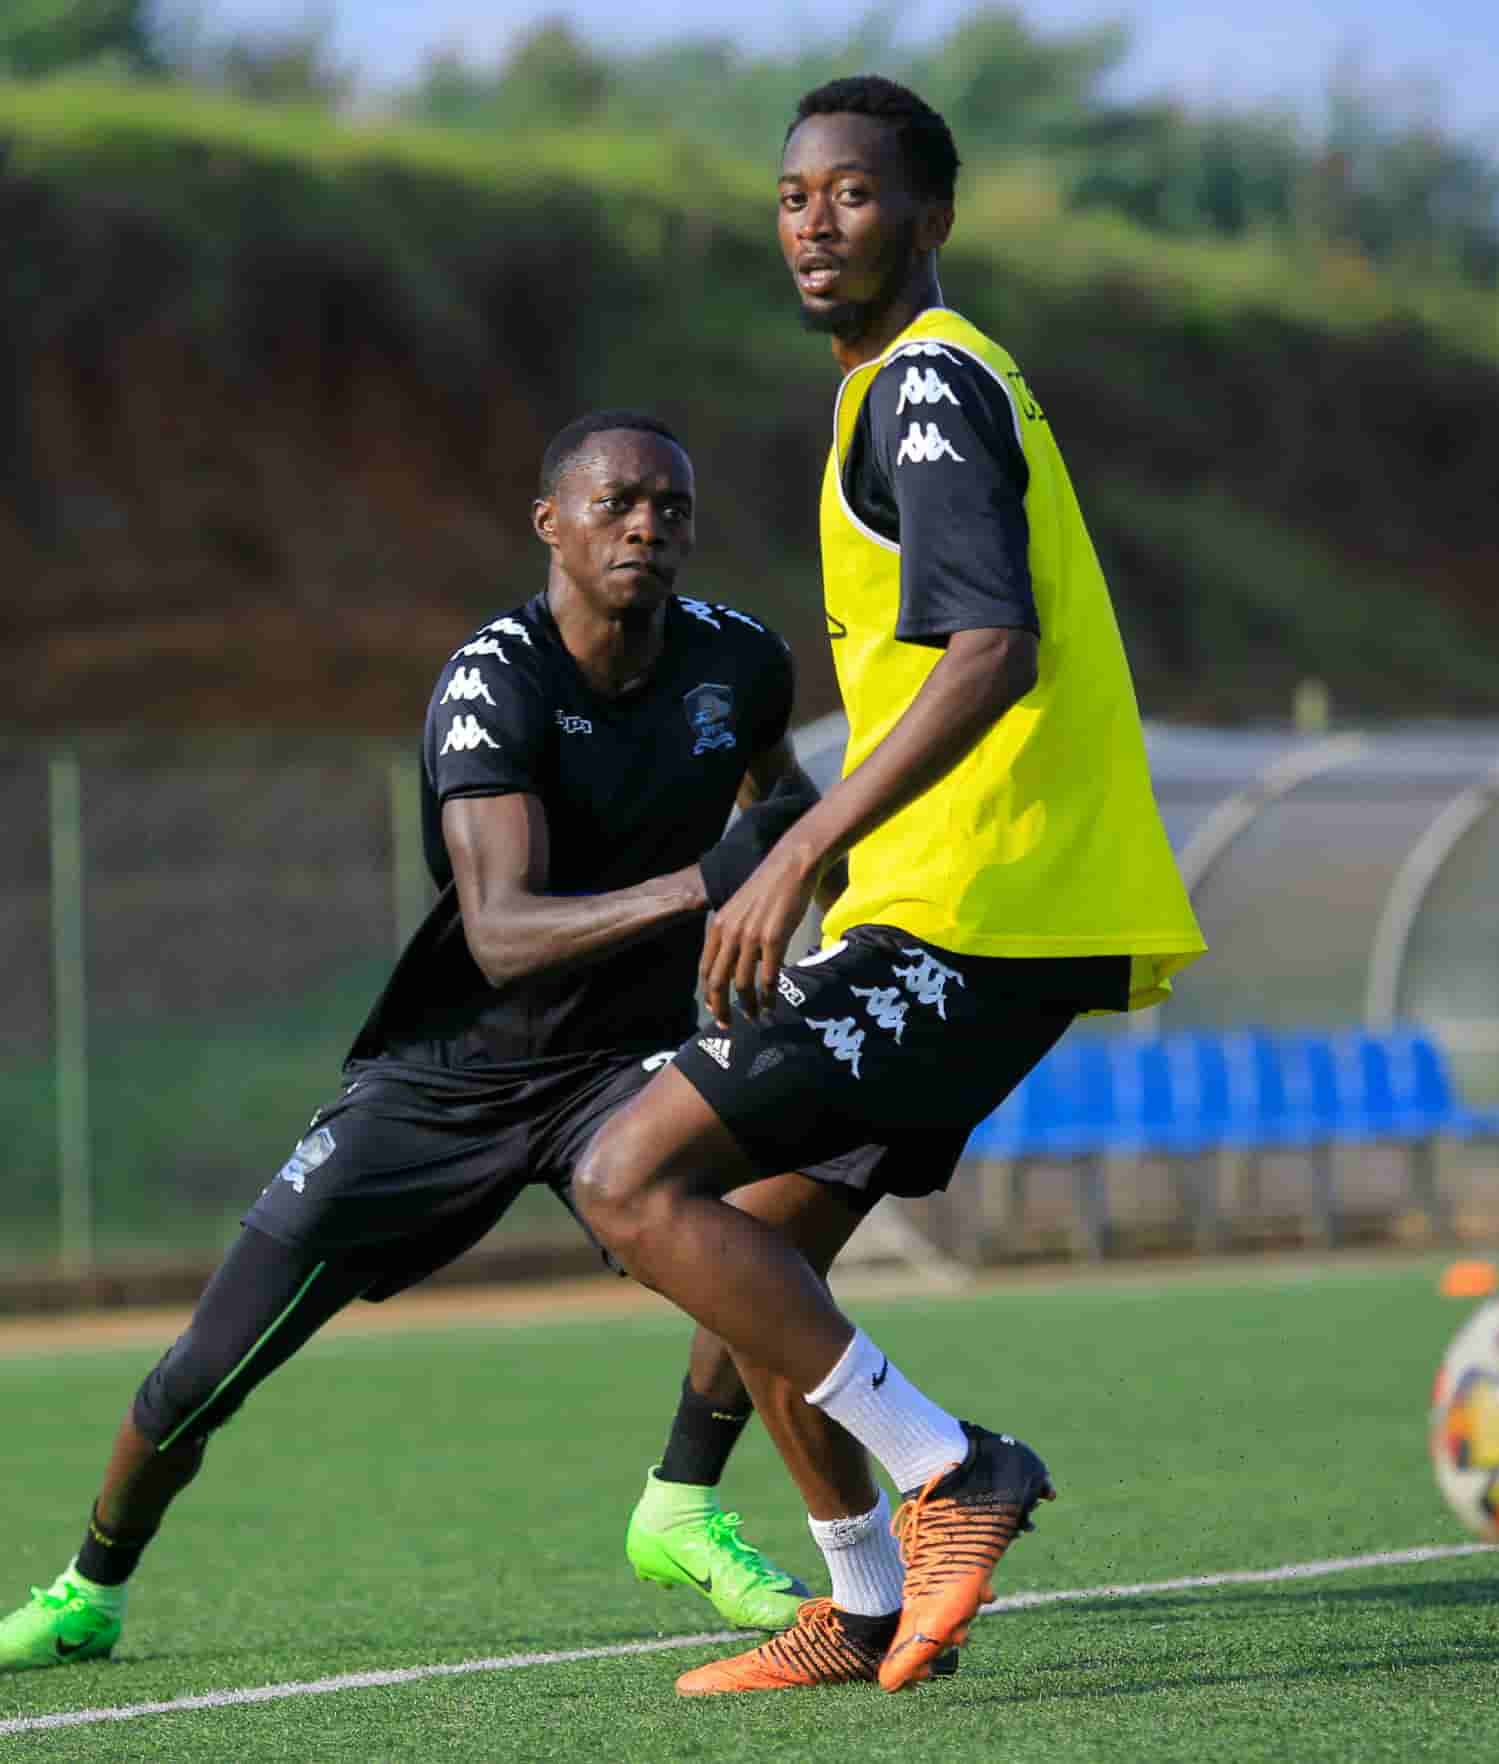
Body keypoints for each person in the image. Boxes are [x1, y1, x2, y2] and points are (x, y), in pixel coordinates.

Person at [0, 409, 870, 1672]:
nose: (646, 526)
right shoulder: (493, 680)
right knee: (202, 1373)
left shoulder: (737, 662)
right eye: (617, 503)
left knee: (800, 1193)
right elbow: (503, 931)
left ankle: (681, 1501)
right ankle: (92, 1586)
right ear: (550, 524)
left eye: (670, 508)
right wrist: (709, 886)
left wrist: (818, 897)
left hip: (621, 1073)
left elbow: (784, 813)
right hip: (447, 1078)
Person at [585, 75, 1207, 1697]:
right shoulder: (896, 392)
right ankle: (859, 1600)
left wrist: (795, 847)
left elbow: (989, 647)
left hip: (979, 902)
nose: (812, 219)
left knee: (626, 1173)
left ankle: (955, 1467)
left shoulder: (924, 384)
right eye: (793, 194)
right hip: (951, 901)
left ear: (927, 215)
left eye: (851, 193)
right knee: (750, 1257)